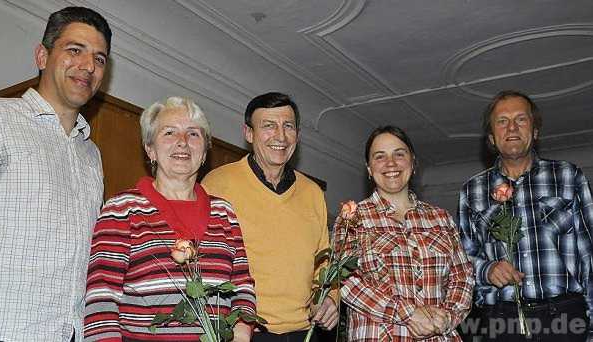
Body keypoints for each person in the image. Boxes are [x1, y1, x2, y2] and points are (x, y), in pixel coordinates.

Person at [0, 6, 111, 341]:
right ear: (42, 55)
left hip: (69, 332)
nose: (88, 66)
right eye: (74, 50)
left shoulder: (91, 154)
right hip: (0, 330)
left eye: (99, 58)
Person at [83, 97, 256, 341]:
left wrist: (241, 333)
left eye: (194, 134)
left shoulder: (224, 213)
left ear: (205, 151)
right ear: (150, 149)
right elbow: (101, 300)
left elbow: (242, 287)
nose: (183, 142)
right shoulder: (122, 209)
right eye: (169, 132)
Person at [457, 90, 593, 342]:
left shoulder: (568, 176)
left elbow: (590, 254)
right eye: (502, 121)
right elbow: (461, 260)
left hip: (565, 318)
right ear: (491, 137)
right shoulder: (471, 191)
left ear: (535, 130)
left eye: (521, 119)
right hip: (502, 322)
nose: (512, 127)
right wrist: (486, 269)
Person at [201, 92, 338, 341]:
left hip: (304, 333)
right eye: (268, 126)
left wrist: (330, 297)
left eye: (288, 126)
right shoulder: (216, 184)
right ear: (249, 133)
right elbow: (202, 262)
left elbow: (325, 263)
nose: (281, 136)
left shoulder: (313, 193)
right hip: (243, 332)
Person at [336, 125, 473, 341]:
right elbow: (346, 282)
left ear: (413, 163)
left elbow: (463, 277)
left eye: (399, 154)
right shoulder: (353, 217)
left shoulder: (441, 218)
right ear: (369, 169)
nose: (391, 163)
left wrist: (446, 317)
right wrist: (408, 314)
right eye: (380, 157)